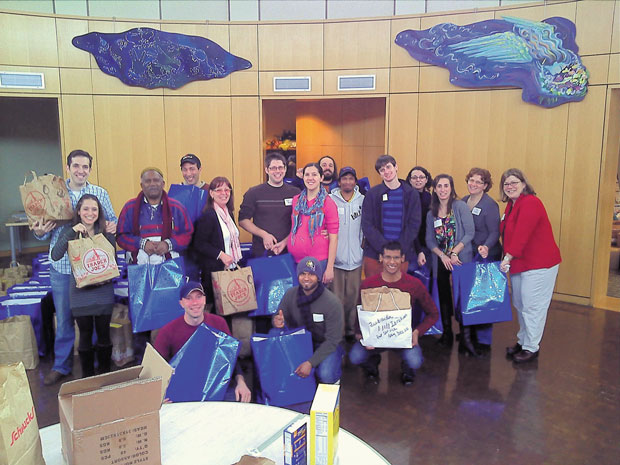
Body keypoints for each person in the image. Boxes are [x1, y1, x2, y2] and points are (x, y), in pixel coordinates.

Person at [32, 149, 117, 385]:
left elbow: (111, 222)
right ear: (67, 168)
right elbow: (42, 230)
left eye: (85, 167)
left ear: (90, 169)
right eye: (76, 166)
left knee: (94, 324)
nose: (81, 171)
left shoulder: (99, 193)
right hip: (62, 266)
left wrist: (112, 228)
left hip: (92, 268)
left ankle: (97, 369)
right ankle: (62, 365)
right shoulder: (56, 193)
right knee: (65, 318)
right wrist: (39, 232)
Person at [116, 167, 194, 361]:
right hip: (140, 271)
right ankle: (142, 362)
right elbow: (121, 236)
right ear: (141, 185)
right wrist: (141, 243)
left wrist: (169, 244)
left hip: (169, 270)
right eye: (148, 181)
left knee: (172, 314)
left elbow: (188, 234)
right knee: (141, 315)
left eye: (156, 180)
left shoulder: (176, 207)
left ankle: (174, 359)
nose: (152, 184)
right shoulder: (130, 208)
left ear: (163, 183)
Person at [349, 241, 439, 385]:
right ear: (381, 258)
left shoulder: (414, 284)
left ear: (403, 258)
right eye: (388, 257)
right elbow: (360, 311)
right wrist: (359, 333)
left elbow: (433, 314)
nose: (392, 262)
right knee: (355, 357)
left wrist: (417, 332)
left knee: (415, 361)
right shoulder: (368, 284)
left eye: (396, 258)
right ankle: (372, 365)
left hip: (403, 339)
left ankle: (407, 369)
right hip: (375, 339)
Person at [499, 168, 561, 364]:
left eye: (514, 182)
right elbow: (507, 235)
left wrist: (507, 258)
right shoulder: (510, 206)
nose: (510, 186)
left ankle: (531, 347)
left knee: (533, 307)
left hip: (539, 264)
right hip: (519, 263)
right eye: (506, 184)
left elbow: (521, 235)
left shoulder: (531, 203)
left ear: (524, 184)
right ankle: (523, 341)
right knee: (520, 304)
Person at [50, 194, 115, 378]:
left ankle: (105, 375)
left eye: (94, 209)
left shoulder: (106, 233)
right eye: (86, 209)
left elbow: (111, 261)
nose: (90, 213)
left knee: (104, 334)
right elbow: (55, 255)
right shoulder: (69, 231)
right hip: (80, 293)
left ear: (99, 212)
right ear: (78, 211)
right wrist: (71, 233)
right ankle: (87, 377)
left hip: (103, 292)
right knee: (85, 335)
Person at [154, 281, 251, 402]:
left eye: (198, 297)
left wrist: (241, 383)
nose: (195, 303)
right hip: (184, 391)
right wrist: (160, 395)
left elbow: (231, 358)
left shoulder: (219, 323)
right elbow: (156, 369)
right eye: (189, 298)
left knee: (238, 402)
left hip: (214, 387)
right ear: (181, 303)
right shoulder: (167, 331)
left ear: (205, 300)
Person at [425, 174, 476, 355]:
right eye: (439, 186)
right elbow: (429, 240)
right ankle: (447, 334)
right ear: (435, 189)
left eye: (446, 186)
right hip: (441, 261)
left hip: (460, 258)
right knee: (445, 297)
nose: (443, 189)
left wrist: (454, 252)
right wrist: (442, 256)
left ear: (451, 188)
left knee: (463, 298)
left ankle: (466, 338)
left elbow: (470, 233)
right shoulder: (432, 212)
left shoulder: (460, 206)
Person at [271, 257, 345, 384]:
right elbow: (279, 316)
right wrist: (276, 321)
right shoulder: (290, 294)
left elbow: (333, 340)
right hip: (301, 341)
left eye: (311, 274)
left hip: (326, 344)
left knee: (325, 374)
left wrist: (311, 363)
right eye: (303, 274)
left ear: (319, 277)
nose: (306, 278)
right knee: (273, 333)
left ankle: (335, 372)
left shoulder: (332, 302)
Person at [461, 167, 501, 353]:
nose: (474, 184)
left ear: (485, 185)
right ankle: (469, 335)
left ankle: (483, 341)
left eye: (478, 182)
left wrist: (486, 246)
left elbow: (495, 231)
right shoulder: (462, 201)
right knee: (469, 297)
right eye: (471, 180)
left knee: (484, 299)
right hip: (469, 256)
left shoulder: (490, 205)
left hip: (486, 255)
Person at [361, 155, 421, 278]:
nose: (386, 172)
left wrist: (397, 251)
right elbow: (367, 225)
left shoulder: (411, 194)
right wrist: (384, 249)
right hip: (375, 255)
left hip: (401, 254)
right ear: (380, 174)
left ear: (396, 167)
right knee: (374, 294)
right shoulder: (372, 194)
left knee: (398, 294)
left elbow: (414, 225)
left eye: (388, 167)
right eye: (382, 170)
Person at [238, 152, 300, 258]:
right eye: (273, 168)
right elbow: (243, 220)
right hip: (261, 252)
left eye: (280, 167)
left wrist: (285, 242)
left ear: (285, 169)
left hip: (289, 251)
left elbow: (301, 222)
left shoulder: (295, 193)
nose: (277, 171)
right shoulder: (254, 193)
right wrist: (264, 235)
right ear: (267, 170)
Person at [191, 176, 242, 306]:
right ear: (211, 193)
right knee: (219, 311)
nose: (224, 193)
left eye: (227, 190)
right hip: (215, 271)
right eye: (219, 190)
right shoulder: (209, 215)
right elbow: (199, 244)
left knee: (230, 309)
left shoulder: (228, 214)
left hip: (230, 268)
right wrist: (221, 255)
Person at [287, 163, 339, 284]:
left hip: (318, 260)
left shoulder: (328, 203)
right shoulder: (296, 200)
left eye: (314, 174)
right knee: (298, 298)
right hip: (295, 259)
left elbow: (334, 238)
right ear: (303, 177)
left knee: (315, 298)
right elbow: (295, 228)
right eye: (307, 175)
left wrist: (330, 268)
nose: (310, 178)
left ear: (321, 178)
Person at [329, 167, 364, 341]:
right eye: (344, 179)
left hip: (356, 260)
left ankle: (350, 330)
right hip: (335, 260)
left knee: (352, 298)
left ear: (355, 181)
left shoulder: (363, 201)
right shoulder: (330, 200)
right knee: (336, 300)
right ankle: (338, 332)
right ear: (339, 181)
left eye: (351, 178)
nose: (347, 182)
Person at [406, 166, 432, 268]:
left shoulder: (429, 197)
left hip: (427, 245)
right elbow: (410, 226)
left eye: (421, 177)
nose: (418, 180)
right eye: (414, 177)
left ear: (426, 179)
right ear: (410, 180)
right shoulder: (406, 197)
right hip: (411, 246)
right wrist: (419, 250)